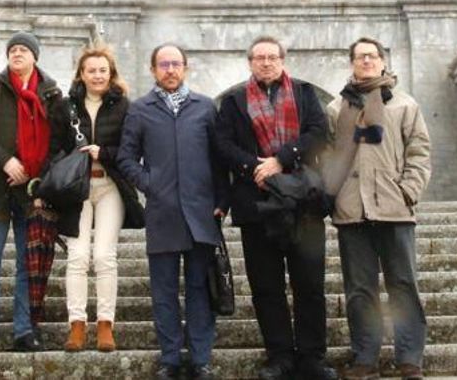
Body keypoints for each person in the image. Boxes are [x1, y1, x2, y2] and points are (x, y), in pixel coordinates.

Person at [215, 37, 334, 380]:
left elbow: (318, 133)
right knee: (266, 286)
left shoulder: (304, 93)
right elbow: (223, 144)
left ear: (282, 60)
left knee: (310, 285)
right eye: (259, 58)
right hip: (257, 203)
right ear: (250, 62)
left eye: (272, 57)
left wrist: (281, 160)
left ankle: (312, 357)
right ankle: (279, 355)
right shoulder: (234, 101)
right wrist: (256, 166)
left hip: (303, 202)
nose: (266, 62)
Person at [117, 43, 229, 380]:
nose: (170, 70)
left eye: (176, 63)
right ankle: (169, 357)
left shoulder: (206, 108)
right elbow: (125, 157)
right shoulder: (140, 110)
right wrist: (149, 183)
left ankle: (200, 358)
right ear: (153, 70)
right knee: (164, 291)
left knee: (200, 289)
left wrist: (222, 201)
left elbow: (220, 159)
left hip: (201, 214)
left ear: (186, 67)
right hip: (163, 212)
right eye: (163, 64)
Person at [325, 39, 432, 380]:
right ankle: (365, 357)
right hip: (352, 211)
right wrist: (334, 195)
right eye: (360, 57)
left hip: (393, 208)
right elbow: (327, 157)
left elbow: (419, 151)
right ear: (352, 63)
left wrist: (408, 191)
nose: (366, 61)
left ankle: (410, 358)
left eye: (372, 56)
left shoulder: (403, 103)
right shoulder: (336, 108)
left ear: (383, 61)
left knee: (403, 284)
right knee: (359, 289)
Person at [0, 31, 66, 352]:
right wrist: (7, 161)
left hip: (34, 193)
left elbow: (58, 143)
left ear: (35, 56)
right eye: (13, 49)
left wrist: (36, 177)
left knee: (29, 264)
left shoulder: (51, 95)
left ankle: (25, 330)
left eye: (24, 49)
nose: (17, 54)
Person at [47, 44, 144, 353]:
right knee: (76, 257)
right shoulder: (65, 106)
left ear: (111, 73)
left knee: (104, 256)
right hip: (75, 189)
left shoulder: (124, 106)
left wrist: (104, 153)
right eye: (92, 70)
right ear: (81, 74)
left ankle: (105, 324)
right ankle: (76, 325)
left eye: (103, 70)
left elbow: (132, 151)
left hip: (109, 187)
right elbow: (52, 149)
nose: (98, 75)